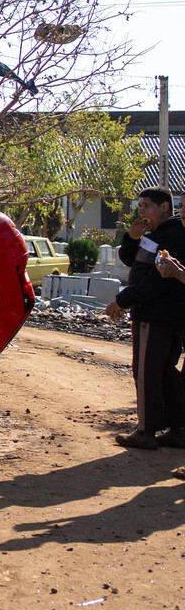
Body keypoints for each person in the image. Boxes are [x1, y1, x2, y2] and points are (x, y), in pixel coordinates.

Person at [104, 186, 185, 448]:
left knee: (147, 372)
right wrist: (130, 237)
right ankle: (178, 429)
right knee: (163, 372)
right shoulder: (154, 234)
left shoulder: (173, 236)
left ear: (164, 207)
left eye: (147, 205)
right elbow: (134, 262)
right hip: (156, 312)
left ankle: (146, 431)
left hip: (158, 314)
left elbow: (157, 282)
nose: (141, 211)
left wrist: (124, 300)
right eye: (139, 206)